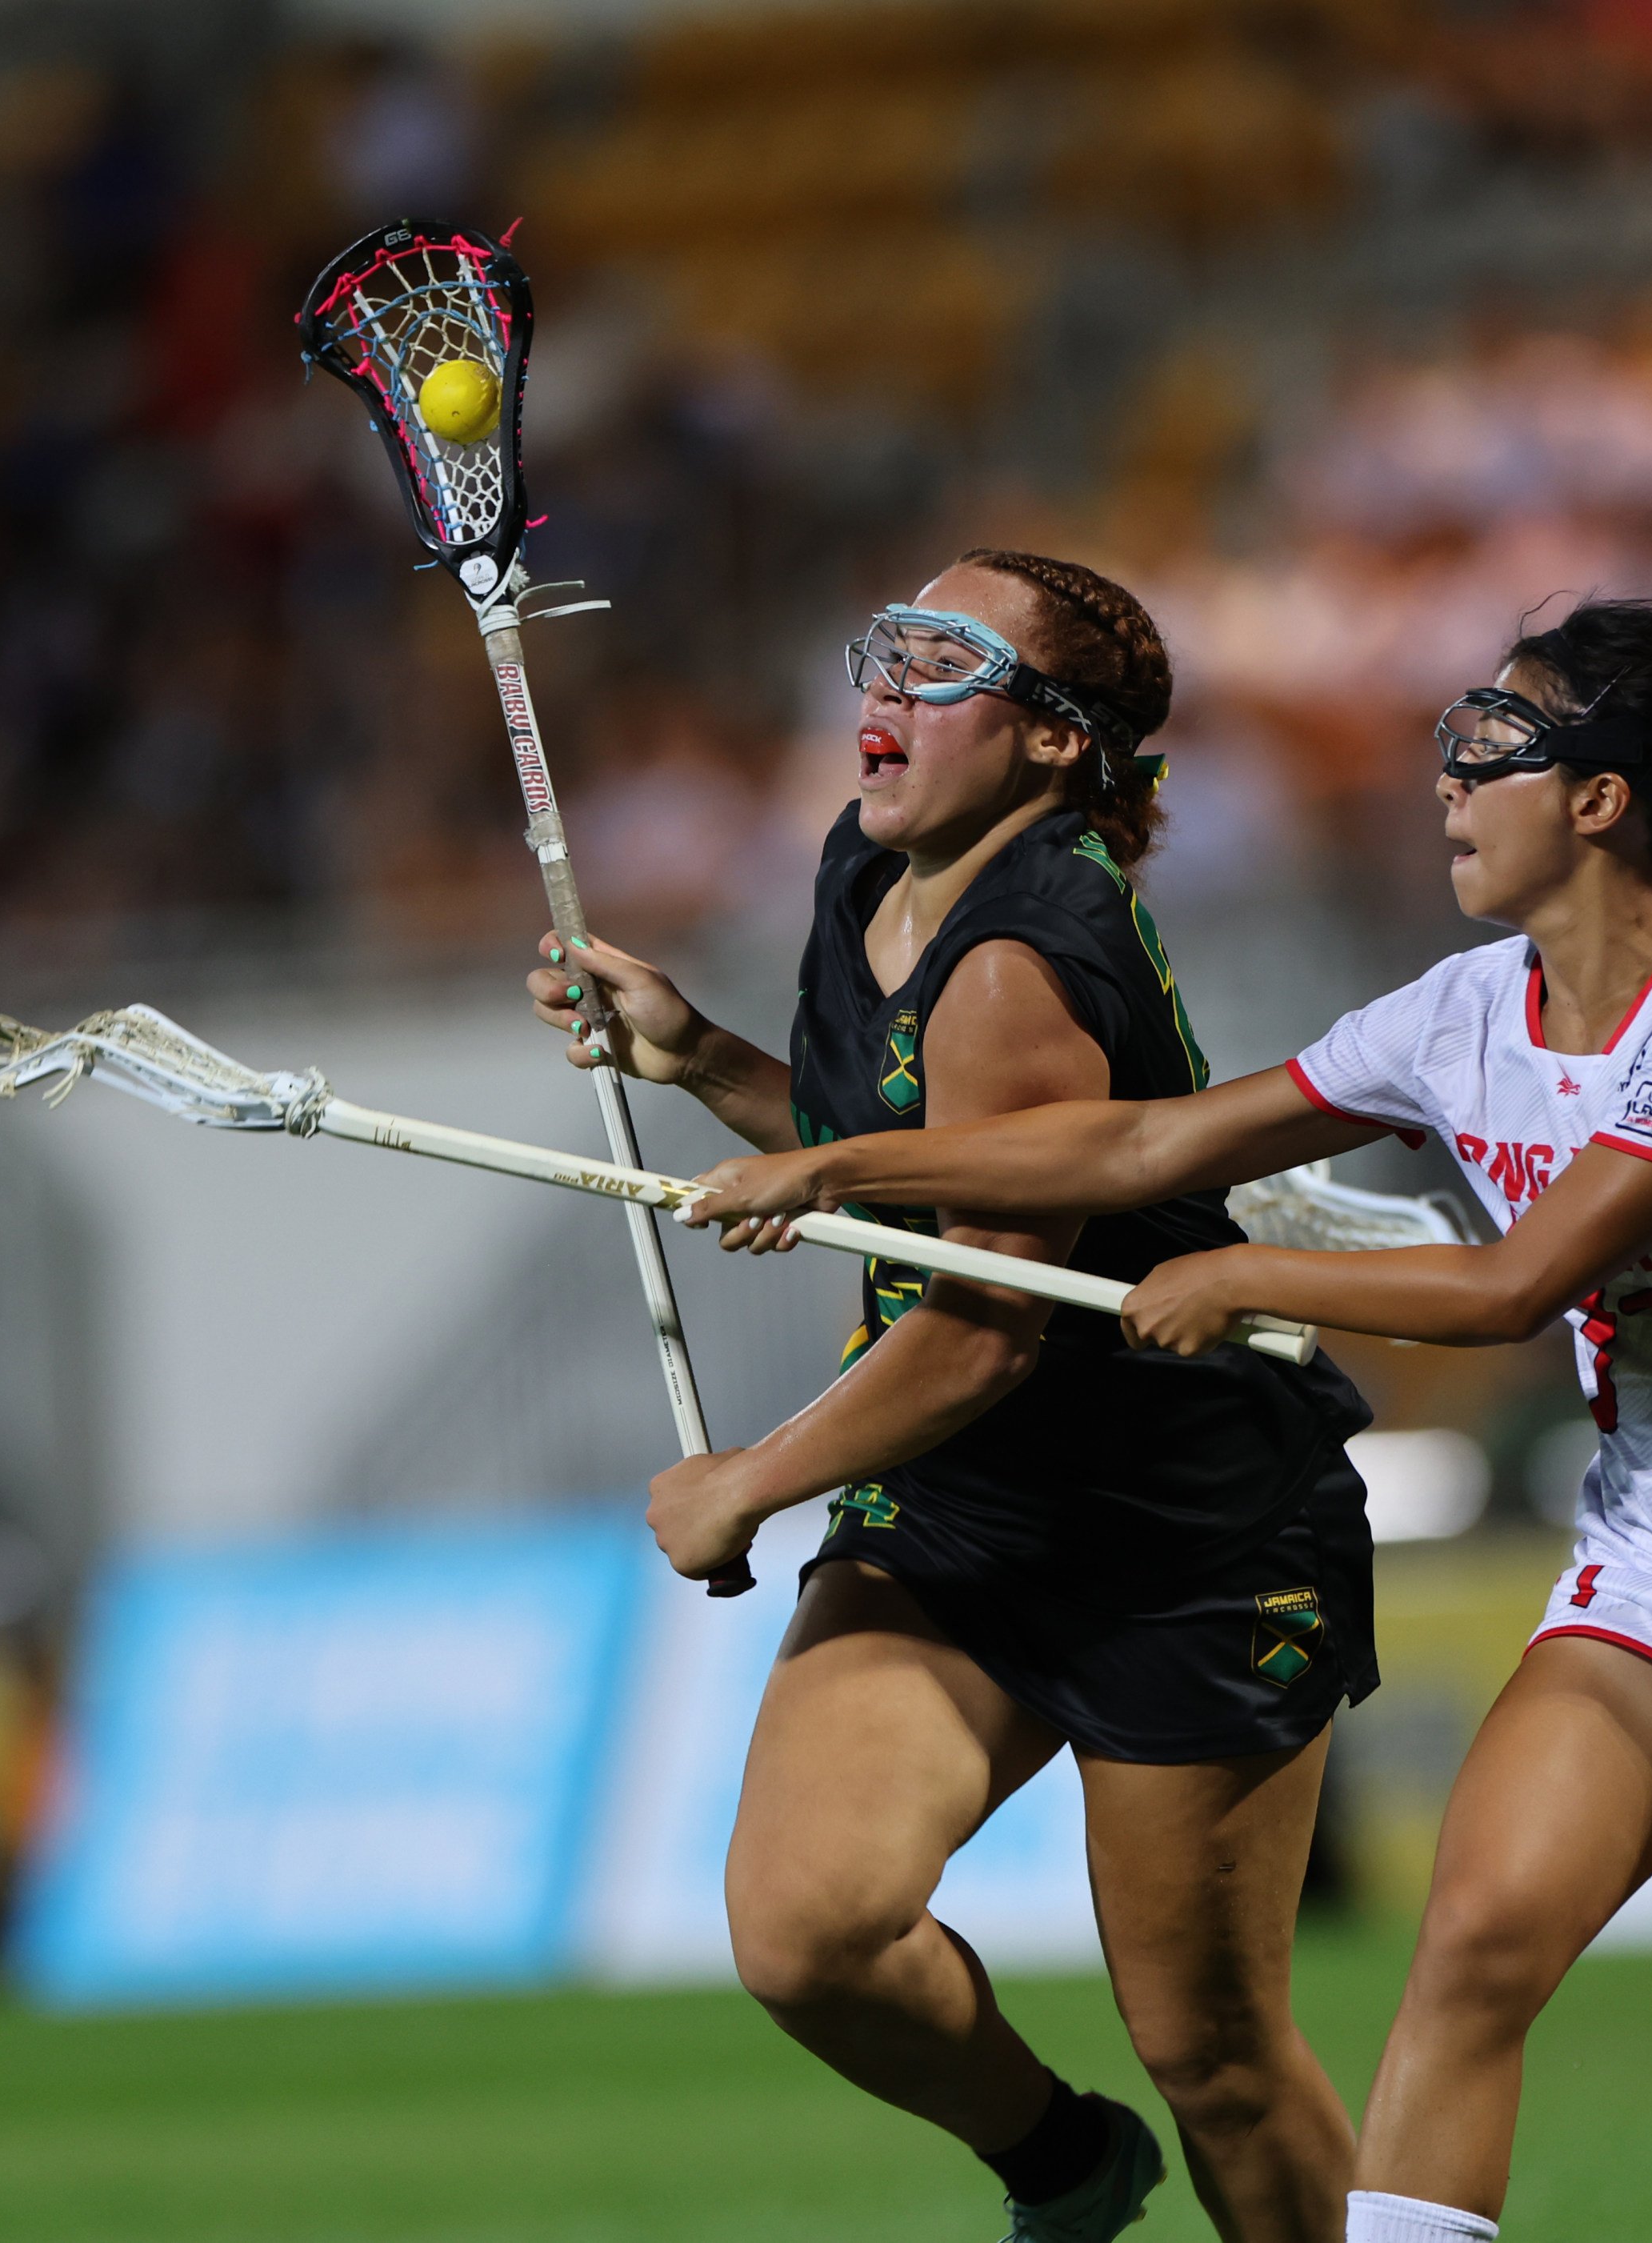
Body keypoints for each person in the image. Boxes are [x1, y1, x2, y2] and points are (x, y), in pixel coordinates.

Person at [682, 599, 1652, 2243]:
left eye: (1487, 747)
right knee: (1471, 1953)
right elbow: (1137, 1151)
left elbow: (1511, 1286)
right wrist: (845, 1158)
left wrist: (1246, 1274)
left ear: (1599, 799)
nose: (1443, 784)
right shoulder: (1458, 1006)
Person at [522, 550, 1378, 2242]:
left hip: (1174, 1531)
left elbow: (980, 1320)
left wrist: (750, 1479)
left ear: (1056, 743)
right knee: (807, 1926)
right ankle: (1061, 2163)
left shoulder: (1021, 956)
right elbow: (875, 1156)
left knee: (1207, 2046)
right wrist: (693, 1055)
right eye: (881, 652)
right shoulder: (867, 868)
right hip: (967, 1505)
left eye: (941, 664)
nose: (882, 698)